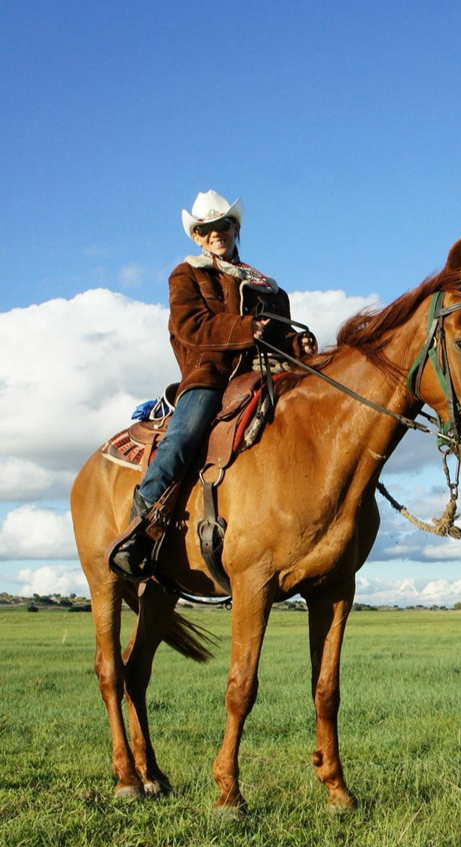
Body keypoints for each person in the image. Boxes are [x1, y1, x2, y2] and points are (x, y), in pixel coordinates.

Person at [108, 189, 314, 580]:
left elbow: (278, 333)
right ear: (197, 237)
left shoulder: (267, 286)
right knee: (184, 436)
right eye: (206, 229)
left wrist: (295, 343)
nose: (215, 233)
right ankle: (139, 529)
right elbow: (190, 327)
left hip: (265, 373)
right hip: (208, 375)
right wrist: (245, 328)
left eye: (222, 226)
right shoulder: (186, 275)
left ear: (235, 229)